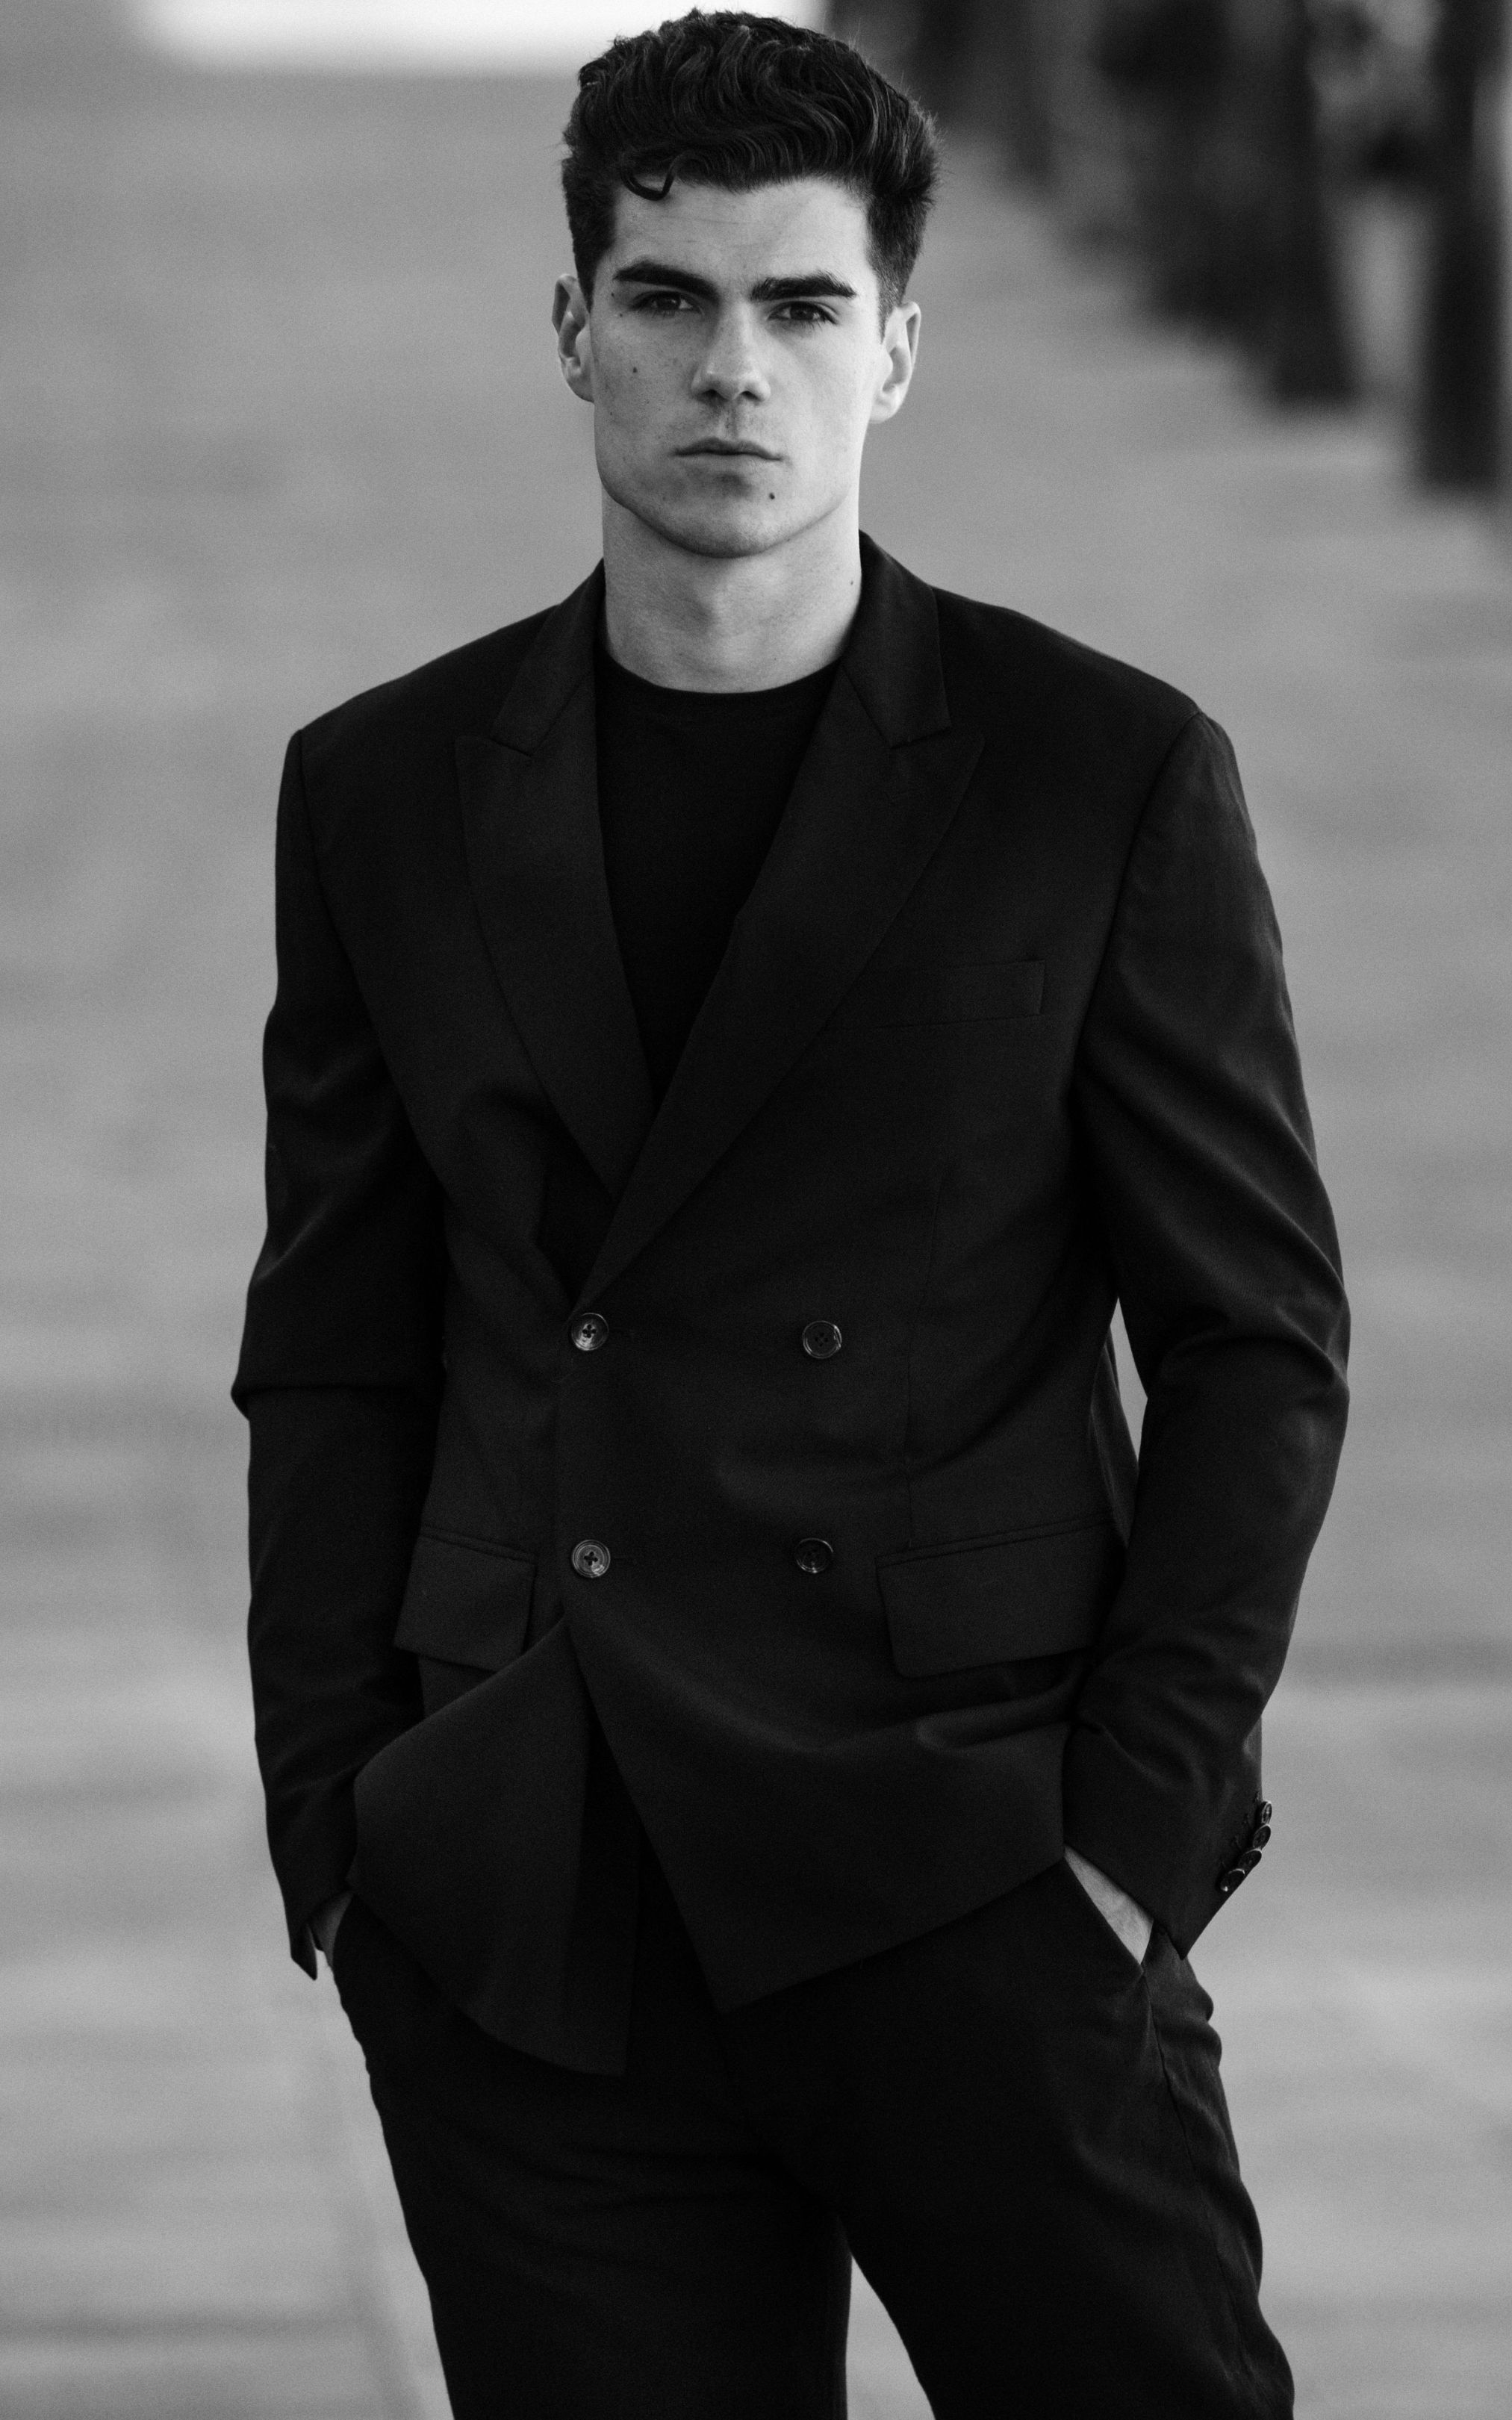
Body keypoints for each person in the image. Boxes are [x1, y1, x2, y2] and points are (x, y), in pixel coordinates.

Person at [234, 12, 1348, 2415]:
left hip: (976, 1857)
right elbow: (334, 1333)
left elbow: (1254, 1342)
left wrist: (1128, 1837)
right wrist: (343, 1822)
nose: (731, 367)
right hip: (538, 1887)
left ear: (895, 349)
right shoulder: (387, 787)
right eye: (667, 298)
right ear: (573, 330)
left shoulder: (1093, 771)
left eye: (800, 305)